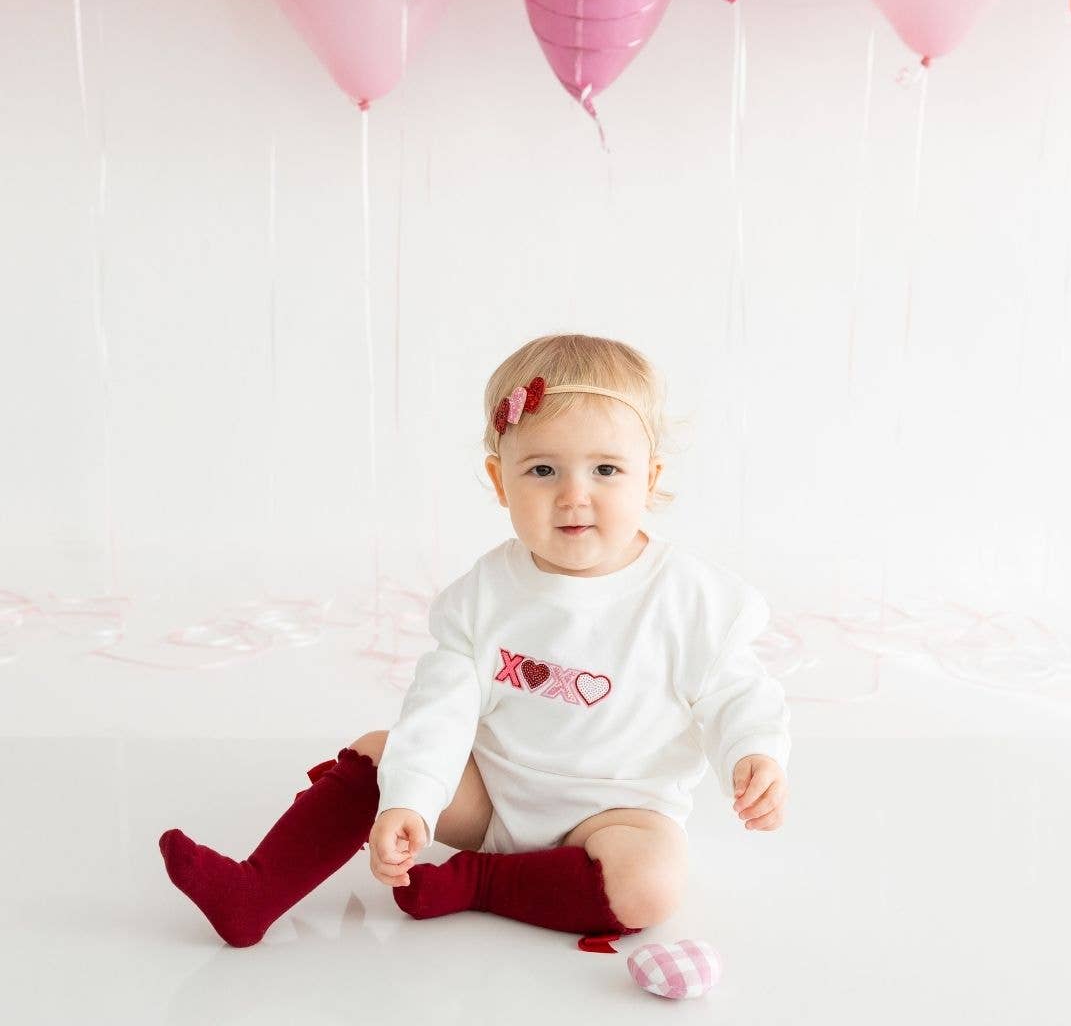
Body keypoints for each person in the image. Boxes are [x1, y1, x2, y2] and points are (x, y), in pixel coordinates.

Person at [159, 333, 792, 949]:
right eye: (542, 469)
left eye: (605, 469)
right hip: (489, 800)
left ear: (648, 479)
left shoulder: (693, 599)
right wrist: (411, 802)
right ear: (499, 481)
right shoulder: (484, 594)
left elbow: (737, 693)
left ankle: (478, 885)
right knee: (380, 751)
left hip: (617, 817)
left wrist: (753, 754)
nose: (575, 495)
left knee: (652, 885)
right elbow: (440, 711)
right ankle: (255, 891)